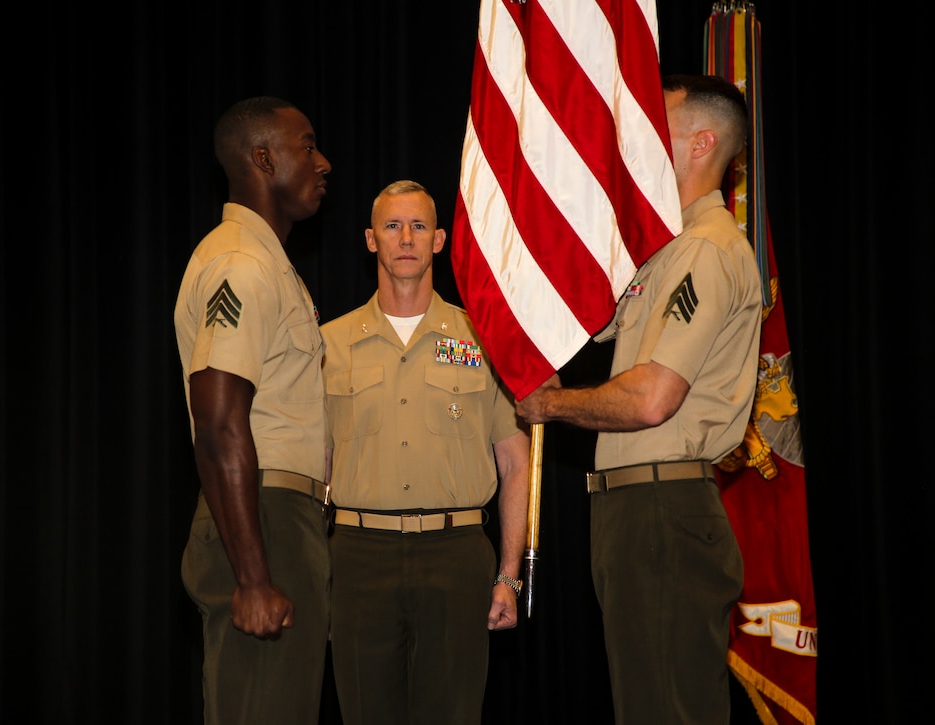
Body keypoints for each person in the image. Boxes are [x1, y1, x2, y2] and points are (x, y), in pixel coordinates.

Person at [515, 74, 761, 724]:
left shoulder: (707, 250)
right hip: (635, 504)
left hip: (663, 506)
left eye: (659, 124)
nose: (640, 136)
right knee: (648, 701)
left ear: (702, 143)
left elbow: (653, 399)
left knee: (666, 707)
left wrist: (552, 406)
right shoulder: (665, 250)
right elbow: (593, 319)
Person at [322, 180, 530, 724]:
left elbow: (514, 461)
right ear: (371, 240)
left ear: (439, 240)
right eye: (392, 226)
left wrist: (508, 574)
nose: (406, 238)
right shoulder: (328, 344)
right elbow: (313, 464)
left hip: (456, 553)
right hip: (358, 555)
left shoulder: (482, 339)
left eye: (418, 226)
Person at [173, 96, 333, 725]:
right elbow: (216, 422)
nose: (324, 163)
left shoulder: (270, 262)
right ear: (263, 159)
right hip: (260, 515)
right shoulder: (240, 263)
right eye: (307, 145)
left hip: (279, 517)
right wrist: (253, 577)